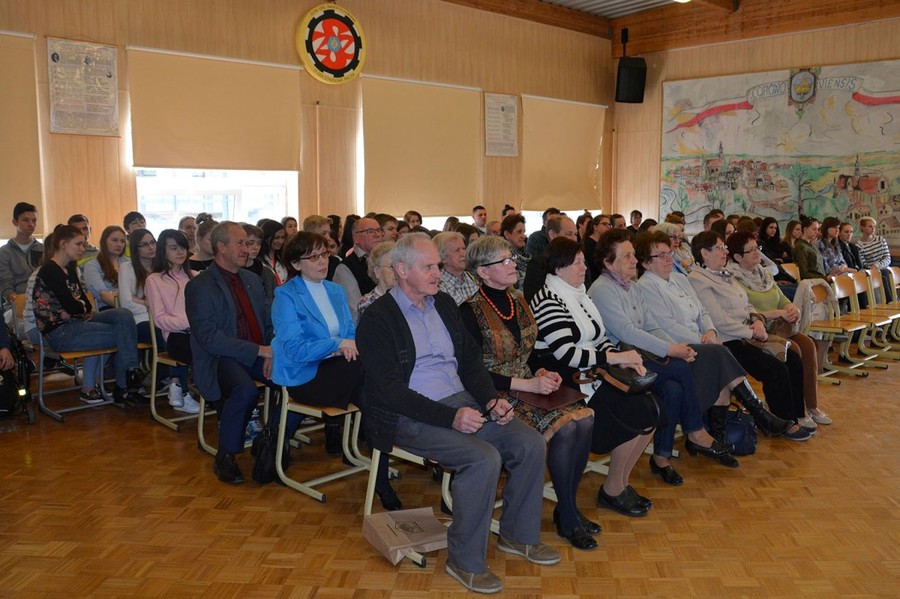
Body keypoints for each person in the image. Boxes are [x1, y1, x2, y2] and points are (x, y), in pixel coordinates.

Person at [357, 233, 559, 594]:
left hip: (461, 401)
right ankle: (465, 561)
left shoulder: (444, 303)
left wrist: (490, 401)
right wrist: (450, 417)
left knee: (529, 443)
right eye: (429, 267)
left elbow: (469, 361)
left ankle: (517, 535)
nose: (438, 273)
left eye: (438, 265)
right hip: (408, 415)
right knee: (482, 458)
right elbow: (390, 392)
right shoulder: (377, 319)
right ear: (401, 270)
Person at [461, 236, 598, 550]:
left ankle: (567, 506)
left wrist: (541, 371)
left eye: (512, 258)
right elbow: (472, 373)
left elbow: (530, 353)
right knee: (567, 428)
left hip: (527, 384)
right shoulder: (469, 312)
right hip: (493, 396)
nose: (513, 264)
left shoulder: (519, 300)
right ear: (483, 271)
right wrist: (525, 384)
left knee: (585, 418)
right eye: (504, 261)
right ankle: (568, 515)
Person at [589, 230, 741, 479]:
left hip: (642, 357)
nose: (634, 260)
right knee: (680, 368)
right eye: (626, 256)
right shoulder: (603, 289)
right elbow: (627, 332)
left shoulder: (631, 287)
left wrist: (677, 348)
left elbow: (651, 326)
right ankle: (696, 431)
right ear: (608, 262)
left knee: (673, 389)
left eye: (633, 255)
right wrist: (671, 351)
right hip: (620, 363)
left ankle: (661, 457)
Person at [529, 237, 660, 517]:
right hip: (565, 380)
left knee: (652, 409)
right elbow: (566, 354)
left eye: (583, 261)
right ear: (559, 268)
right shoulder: (548, 300)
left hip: (590, 373)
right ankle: (613, 489)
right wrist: (614, 359)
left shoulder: (580, 294)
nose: (584, 267)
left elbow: (600, 339)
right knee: (636, 412)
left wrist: (621, 359)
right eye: (577, 263)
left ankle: (619, 483)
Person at [635, 231, 793, 451]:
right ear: (645, 262)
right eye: (661, 255)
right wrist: (704, 340)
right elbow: (667, 327)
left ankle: (718, 437)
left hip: (704, 341)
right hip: (679, 347)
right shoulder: (645, 286)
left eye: (669, 253)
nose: (669, 258)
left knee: (721, 361)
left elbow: (702, 311)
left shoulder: (680, 279)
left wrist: (709, 331)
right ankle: (758, 414)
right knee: (720, 355)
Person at [688, 231, 810, 440]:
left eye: (724, 247)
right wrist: (752, 331)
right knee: (775, 368)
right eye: (720, 248)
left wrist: (756, 319)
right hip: (728, 340)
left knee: (792, 359)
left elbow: (746, 303)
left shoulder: (724, 273)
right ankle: (781, 422)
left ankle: (797, 416)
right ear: (704, 253)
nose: (725, 251)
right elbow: (719, 320)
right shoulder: (698, 280)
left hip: (748, 333)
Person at [271, 232, 377, 473]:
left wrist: (343, 345)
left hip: (341, 370)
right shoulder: (285, 295)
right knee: (368, 379)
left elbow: (349, 332)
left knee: (368, 388)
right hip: (305, 376)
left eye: (325, 254)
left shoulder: (335, 290)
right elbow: (295, 350)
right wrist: (336, 345)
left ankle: (376, 461)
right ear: (296, 264)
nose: (322, 261)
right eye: (313, 257)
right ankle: (379, 456)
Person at [185, 222, 275, 484]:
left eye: (248, 243)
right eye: (240, 243)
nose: (246, 249)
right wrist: (259, 350)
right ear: (221, 247)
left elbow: (268, 322)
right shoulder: (200, 285)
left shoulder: (252, 279)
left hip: (259, 353)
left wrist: (273, 350)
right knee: (245, 391)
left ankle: (270, 439)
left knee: (292, 378)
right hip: (220, 357)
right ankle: (226, 455)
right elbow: (210, 338)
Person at [727, 231, 832, 428]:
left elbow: (780, 297)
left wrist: (790, 308)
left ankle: (811, 405)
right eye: (751, 250)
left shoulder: (762, 274)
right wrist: (776, 313)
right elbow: (746, 312)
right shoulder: (733, 279)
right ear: (738, 257)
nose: (757, 253)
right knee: (793, 349)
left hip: (778, 327)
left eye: (757, 248)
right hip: (757, 332)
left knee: (808, 345)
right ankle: (797, 410)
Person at [32, 224, 143, 405]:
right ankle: (124, 385)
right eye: (78, 244)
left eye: (83, 244)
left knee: (123, 314)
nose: (83, 249)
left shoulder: (69, 268)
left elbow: (82, 302)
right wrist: (77, 308)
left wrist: (78, 307)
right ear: (63, 244)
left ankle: (130, 372)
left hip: (76, 322)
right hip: (60, 332)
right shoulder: (50, 270)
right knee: (125, 333)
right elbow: (73, 305)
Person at [145, 230, 200, 414]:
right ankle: (182, 390)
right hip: (175, 336)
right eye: (173, 248)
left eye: (183, 247)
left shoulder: (195, 276)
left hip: (199, 332)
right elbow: (159, 319)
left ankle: (181, 387)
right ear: (163, 251)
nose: (180, 252)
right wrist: (188, 323)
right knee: (200, 350)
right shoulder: (154, 280)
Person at [333, 216, 383, 322]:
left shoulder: (386, 261)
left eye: (379, 230)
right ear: (356, 238)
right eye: (370, 231)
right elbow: (355, 312)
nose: (377, 235)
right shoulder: (345, 268)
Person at [1, 202, 43, 317]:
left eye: (34, 220)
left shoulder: (43, 249)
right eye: (25, 220)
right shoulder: (4, 252)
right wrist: (18, 301)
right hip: (16, 305)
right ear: (15, 222)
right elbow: (5, 283)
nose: (31, 224)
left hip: (43, 301)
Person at [523, 214, 578, 302]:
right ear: (552, 235)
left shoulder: (580, 261)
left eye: (575, 234)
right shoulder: (538, 265)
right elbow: (535, 300)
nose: (574, 239)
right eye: (569, 234)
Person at [82, 225, 128, 311]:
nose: (119, 244)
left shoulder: (128, 263)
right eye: (114, 240)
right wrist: (129, 306)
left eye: (122, 241)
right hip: (108, 309)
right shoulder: (92, 265)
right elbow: (104, 295)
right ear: (104, 242)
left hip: (133, 305)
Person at [435, 232, 479, 305]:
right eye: (457, 250)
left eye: (464, 249)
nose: (463, 254)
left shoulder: (472, 278)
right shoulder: (438, 285)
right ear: (442, 257)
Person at [857, 216, 894, 302]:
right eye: (870, 226)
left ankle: (891, 301)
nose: (873, 229)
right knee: (880, 275)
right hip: (870, 270)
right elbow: (863, 263)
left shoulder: (880, 240)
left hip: (882, 267)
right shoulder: (859, 246)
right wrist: (872, 267)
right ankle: (889, 301)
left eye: (874, 226)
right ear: (862, 228)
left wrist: (877, 265)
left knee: (884, 272)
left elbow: (887, 258)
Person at [241, 223, 277, 302]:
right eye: (251, 243)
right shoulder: (234, 271)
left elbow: (274, 299)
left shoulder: (266, 272)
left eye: (259, 243)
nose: (256, 247)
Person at [500, 213, 530, 290]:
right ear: (507, 234)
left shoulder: (526, 255)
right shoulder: (501, 258)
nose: (524, 236)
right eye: (519, 232)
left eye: (524, 232)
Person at [257, 218, 288, 284]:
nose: (280, 241)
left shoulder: (283, 258)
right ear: (267, 238)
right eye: (277, 238)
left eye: (282, 237)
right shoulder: (258, 261)